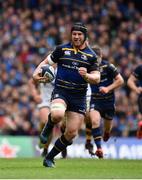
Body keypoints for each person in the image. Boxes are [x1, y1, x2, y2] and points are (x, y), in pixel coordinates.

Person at [32, 22, 101, 167]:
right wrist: (35, 74)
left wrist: (87, 76)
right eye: (74, 34)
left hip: (79, 97)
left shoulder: (91, 56)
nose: (76, 37)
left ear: (84, 36)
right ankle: (47, 129)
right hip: (61, 91)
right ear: (71, 35)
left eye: (79, 34)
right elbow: (45, 62)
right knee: (57, 115)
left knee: (71, 133)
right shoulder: (61, 49)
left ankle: (49, 158)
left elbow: (97, 77)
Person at [85, 45, 124, 158]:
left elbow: (120, 80)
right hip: (95, 100)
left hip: (108, 102)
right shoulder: (88, 67)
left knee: (107, 129)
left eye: (97, 58)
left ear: (101, 56)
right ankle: (99, 149)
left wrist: (107, 88)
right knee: (95, 122)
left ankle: (106, 133)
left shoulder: (108, 66)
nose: (96, 61)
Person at [29, 78, 67, 158]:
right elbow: (31, 82)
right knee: (46, 121)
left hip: (60, 99)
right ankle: (45, 146)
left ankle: (63, 145)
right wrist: (35, 95)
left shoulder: (64, 67)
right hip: (45, 100)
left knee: (63, 125)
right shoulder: (43, 67)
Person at [127, 65, 142, 139]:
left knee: (140, 116)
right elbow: (130, 81)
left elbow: (130, 81)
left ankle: (140, 124)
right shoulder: (140, 68)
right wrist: (136, 89)